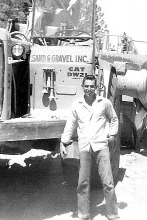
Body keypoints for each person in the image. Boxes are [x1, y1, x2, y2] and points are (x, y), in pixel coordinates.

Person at [61, 74, 119, 220]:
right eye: (86, 86)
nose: (89, 89)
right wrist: (64, 141)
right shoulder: (77, 104)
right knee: (83, 183)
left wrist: (112, 135)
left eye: (92, 86)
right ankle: (83, 214)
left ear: (97, 87)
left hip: (101, 146)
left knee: (108, 182)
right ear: (82, 87)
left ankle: (113, 214)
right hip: (85, 147)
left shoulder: (104, 103)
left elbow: (114, 119)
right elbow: (70, 124)